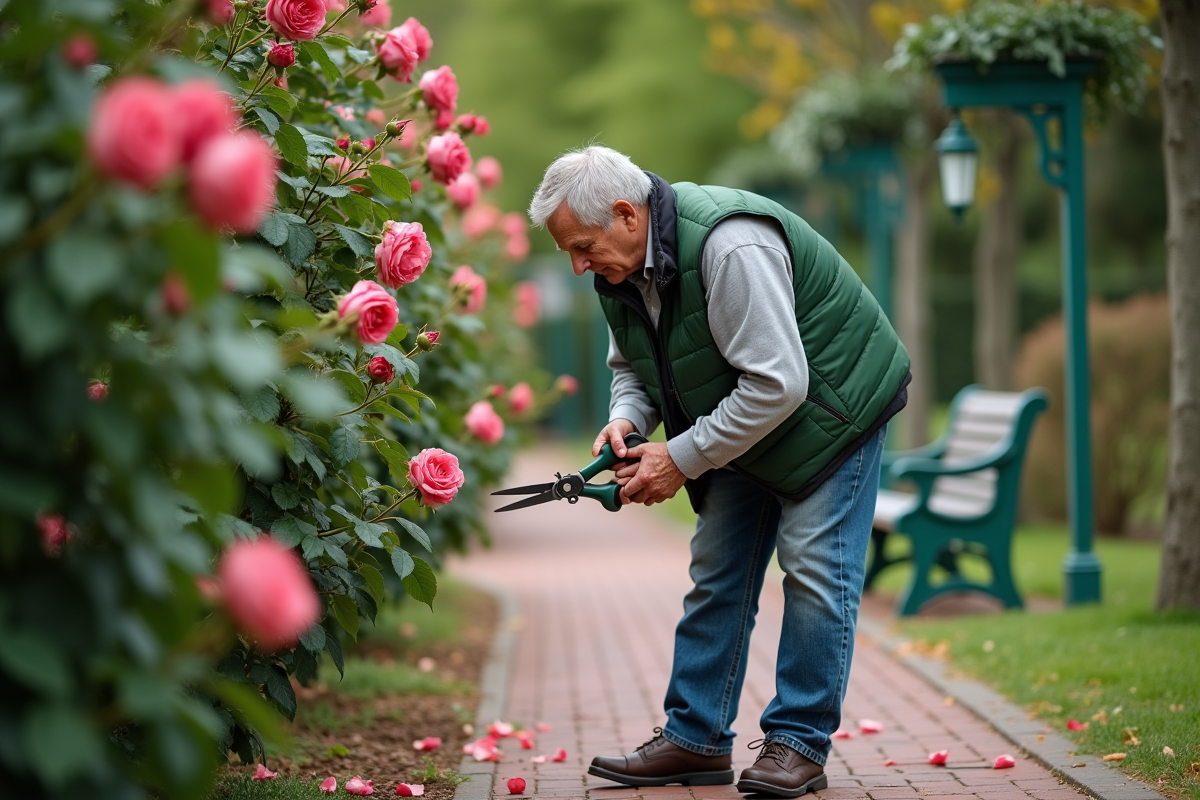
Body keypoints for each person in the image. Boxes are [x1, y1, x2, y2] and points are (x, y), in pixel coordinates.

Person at [527, 146, 911, 798]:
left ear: (626, 214)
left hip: (831, 412)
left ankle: (798, 744)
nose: (578, 265)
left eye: (584, 247)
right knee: (717, 574)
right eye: (569, 251)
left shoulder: (730, 249)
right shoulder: (616, 269)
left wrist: (680, 457)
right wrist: (628, 421)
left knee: (816, 572)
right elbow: (632, 367)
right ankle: (695, 740)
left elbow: (780, 384)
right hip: (743, 417)